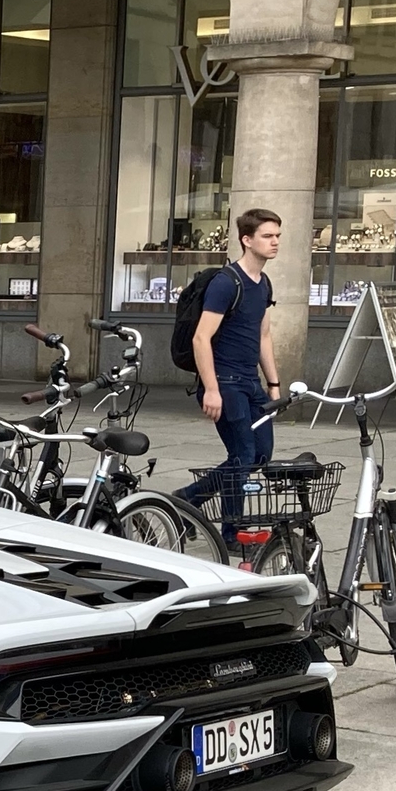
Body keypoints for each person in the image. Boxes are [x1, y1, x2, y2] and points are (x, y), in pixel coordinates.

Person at [177, 207, 285, 547]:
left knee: (260, 455)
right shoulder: (227, 283)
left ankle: (187, 499)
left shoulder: (263, 283)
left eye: (278, 235)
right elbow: (201, 338)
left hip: (250, 383)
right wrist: (211, 389)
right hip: (224, 383)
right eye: (268, 236)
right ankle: (230, 533)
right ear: (247, 240)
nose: (275, 242)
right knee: (242, 455)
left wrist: (274, 384)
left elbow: (263, 336)